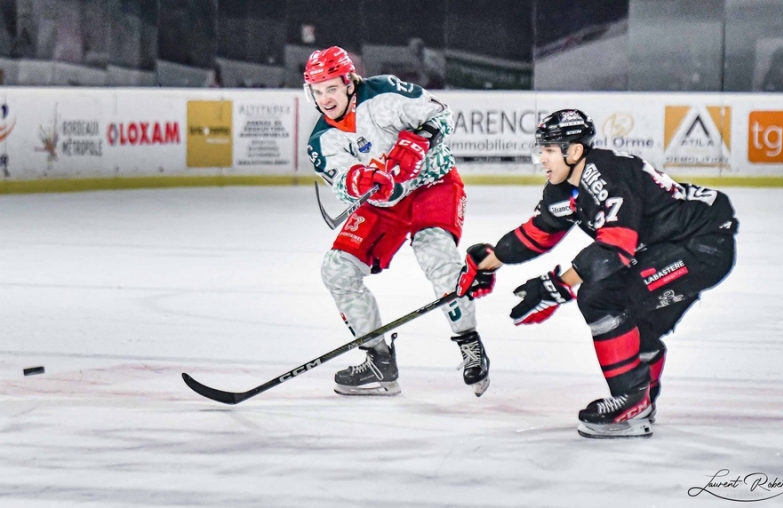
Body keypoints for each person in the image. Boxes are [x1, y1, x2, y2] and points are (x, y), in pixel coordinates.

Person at [455, 109, 738, 438]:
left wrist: (557, 284)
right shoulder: (564, 189)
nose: (541, 159)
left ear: (574, 151)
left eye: (548, 150)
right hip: (676, 245)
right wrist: (486, 262)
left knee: (602, 296)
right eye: (541, 150)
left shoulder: (605, 171)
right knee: (635, 324)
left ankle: (631, 403)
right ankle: (640, 401)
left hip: (702, 246)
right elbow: (537, 234)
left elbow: (615, 248)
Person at [304, 46, 490, 397]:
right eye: (317, 90)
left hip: (433, 185)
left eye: (331, 87)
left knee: (439, 262)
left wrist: (418, 141)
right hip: (383, 205)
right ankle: (378, 360)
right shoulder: (321, 141)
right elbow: (345, 184)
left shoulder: (385, 93)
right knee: (337, 271)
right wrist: (363, 180)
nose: (325, 98)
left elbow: (442, 115)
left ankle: (469, 344)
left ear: (348, 82)